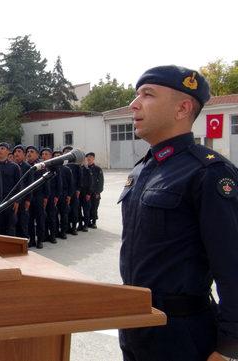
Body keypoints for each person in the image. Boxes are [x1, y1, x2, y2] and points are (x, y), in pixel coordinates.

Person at [118, 65, 238, 361]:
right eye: (136, 95)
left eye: (147, 94)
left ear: (183, 108)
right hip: (135, 327)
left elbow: (232, 267)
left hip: (181, 333)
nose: (134, 104)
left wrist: (228, 347)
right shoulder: (142, 169)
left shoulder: (208, 172)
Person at [24, 146, 49, 249]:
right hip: (28, 197)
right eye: (28, 151)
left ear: (37, 155)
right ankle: (32, 240)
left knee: (40, 219)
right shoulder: (25, 166)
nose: (29, 153)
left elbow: (46, 182)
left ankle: (40, 240)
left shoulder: (41, 166)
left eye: (32, 151)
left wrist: (46, 197)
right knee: (29, 220)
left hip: (39, 196)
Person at [0, 142, 20, 236]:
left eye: (2, 148)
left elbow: (18, 185)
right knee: (0, 226)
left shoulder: (14, 167)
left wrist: (17, 201)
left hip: (11, 201)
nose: (0, 150)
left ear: (8, 151)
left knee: (11, 226)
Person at [40, 148, 61, 244]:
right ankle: (44, 235)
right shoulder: (40, 167)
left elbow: (59, 183)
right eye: (43, 154)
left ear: (51, 156)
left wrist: (57, 196)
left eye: (46, 154)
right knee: (42, 217)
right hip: (42, 196)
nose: (44, 156)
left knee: (52, 216)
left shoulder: (55, 167)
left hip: (52, 195)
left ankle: (53, 235)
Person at [12, 145, 31, 239]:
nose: (16, 153)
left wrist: (28, 200)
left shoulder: (28, 167)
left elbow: (30, 185)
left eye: (19, 151)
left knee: (22, 222)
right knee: (13, 222)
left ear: (24, 154)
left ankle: (24, 242)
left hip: (23, 199)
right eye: (15, 151)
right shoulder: (12, 166)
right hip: (13, 199)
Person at [53, 150, 72, 240]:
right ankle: (55, 232)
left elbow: (70, 183)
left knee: (64, 214)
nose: (57, 157)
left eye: (59, 155)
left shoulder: (67, 169)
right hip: (55, 194)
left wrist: (69, 195)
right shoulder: (52, 169)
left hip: (64, 194)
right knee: (54, 215)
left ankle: (63, 231)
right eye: (55, 156)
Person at [63, 146, 81, 235]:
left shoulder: (76, 165)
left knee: (74, 210)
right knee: (66, 211)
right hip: (65, 191)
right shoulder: (62, 165)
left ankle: (74, 227)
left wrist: (78, 189)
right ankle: (67, 227)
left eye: (69, 152)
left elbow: (80, 178)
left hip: (73, 192)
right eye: (65, 152)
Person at [87, 152, 104, 228]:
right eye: (87, 157)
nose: (88, 158)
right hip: (86, 192)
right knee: (87, 208)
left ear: (93, 158)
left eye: (90, 157)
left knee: (94, 207)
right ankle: (87, 222)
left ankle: (94, 222)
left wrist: (98, 192)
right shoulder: (85, 168)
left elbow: (101, 181)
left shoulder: (97, 169)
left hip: (95, 192)